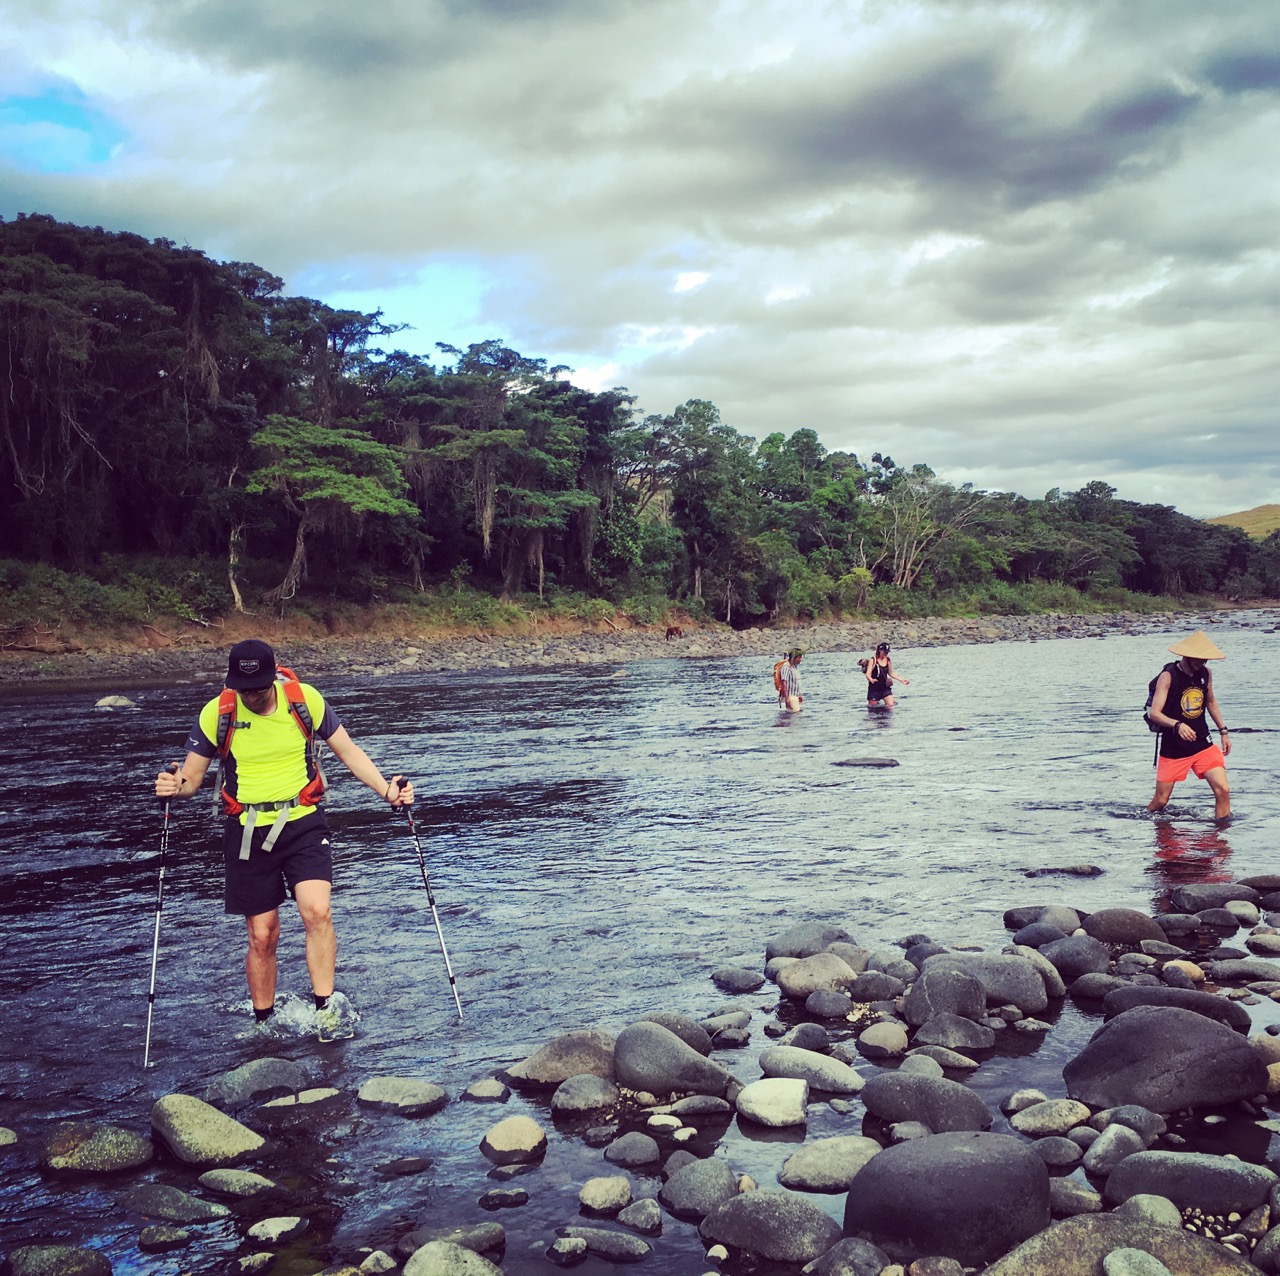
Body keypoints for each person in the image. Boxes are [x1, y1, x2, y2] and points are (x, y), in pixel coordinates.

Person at [154, 639, 415, 1040]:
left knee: (317, 911)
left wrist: (388, 791)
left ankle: (325, 1011)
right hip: (246, 830)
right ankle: (264, 1024)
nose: (251, 696)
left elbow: (349, 752)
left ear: (273, 676)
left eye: (258, 687)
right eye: (243, 688)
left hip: (303, 822)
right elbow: (190, 779)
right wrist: (174, 786)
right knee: (262, 934)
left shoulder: (304, 700)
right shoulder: (218, 712)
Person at [1146, 630, 1231, 821]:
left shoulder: (1205, 674)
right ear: (1187, 656)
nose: (1203, 663)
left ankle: (1221, 839)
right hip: (1174, 747)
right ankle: (1145, 822)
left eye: (1206, 660)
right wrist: (1177, 725)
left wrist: (1223, 731)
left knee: (1223, 790)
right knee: (1160, 801)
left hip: (1202, 743)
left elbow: (1210, 702)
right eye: (1200, 659)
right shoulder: (1168, 676)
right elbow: (1155, 714)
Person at [865, 641, 909, 707]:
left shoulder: (888, 660)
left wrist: (902, 680)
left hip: (885, 688)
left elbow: (891, 673)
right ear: (880, 650)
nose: (886, 653)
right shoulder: (873, 660)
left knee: (891, 706)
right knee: (873, 710)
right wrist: (871, 680)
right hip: (874, 689)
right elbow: (868, 674)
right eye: (884, 652)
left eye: (887, 652)